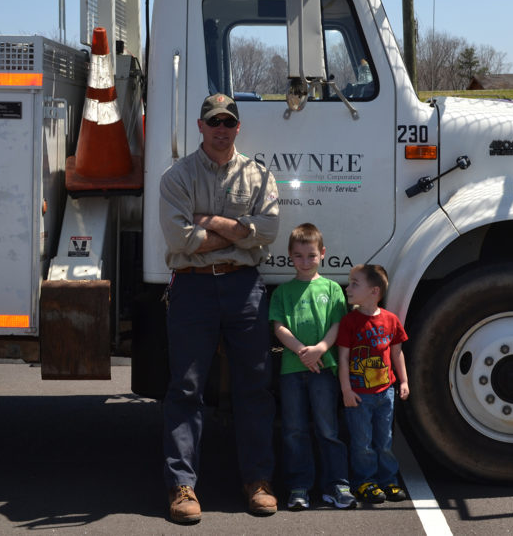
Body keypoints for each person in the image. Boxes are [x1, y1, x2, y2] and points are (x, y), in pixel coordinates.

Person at [158, 93, 280, 524]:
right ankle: (181, 486)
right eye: (214, 122)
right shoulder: (177, 176)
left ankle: (259, 481)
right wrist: (240, 232)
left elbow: (268, 229)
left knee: (255, 388)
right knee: (186, 390)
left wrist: (209, 222)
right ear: (200, 126)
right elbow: (180, 241)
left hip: (244, 288)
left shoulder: (259, 175)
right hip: (192, 290)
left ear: (238, 128)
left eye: (229, 122)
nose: (221, 129)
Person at [269, 223, 356, 511]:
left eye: (311, 255)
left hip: (324, 370)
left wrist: (319, 349)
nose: (305, 262)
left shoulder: (332, 289)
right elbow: (278, 327)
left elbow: (337, 325)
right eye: (298, 256)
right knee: (294, 430)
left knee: (327, 428)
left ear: (323, 254)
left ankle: (337, 485)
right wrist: (300, 351)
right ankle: (299, 486)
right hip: (292, 372)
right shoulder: (283, 292)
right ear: (289, 257)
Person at [336, 264, 410, 504]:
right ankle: (364, 482)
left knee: (385, 440)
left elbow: (397, 353)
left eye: (355, 283)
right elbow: (344, 358)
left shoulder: (391, 321)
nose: (348, 288)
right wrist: (346, 390)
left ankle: (388, 481)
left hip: (385, 392)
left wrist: (404, 381)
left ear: (374, 291)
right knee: (362, 442)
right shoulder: (350, 322)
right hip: (359, 395)